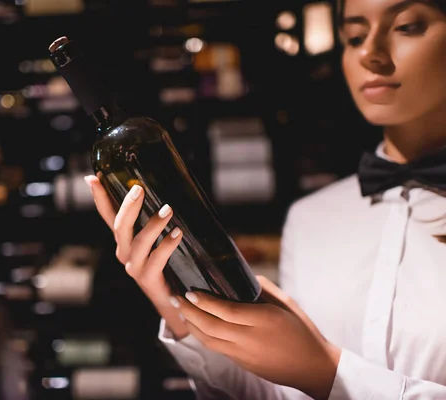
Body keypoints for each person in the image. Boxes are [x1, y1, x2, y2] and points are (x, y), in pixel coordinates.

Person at [83, 0, 446, 397]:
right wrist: (172, 298)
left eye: (407, 27)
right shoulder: (311, 219)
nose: (369, 53)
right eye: (354, 35)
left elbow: (316, 378)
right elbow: (277, 394)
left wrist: (324, 370)